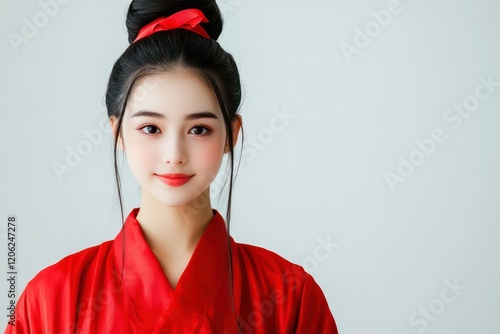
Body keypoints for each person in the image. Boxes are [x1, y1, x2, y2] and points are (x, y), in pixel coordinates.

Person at [5, 1, 338, 333]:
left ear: (230, 135)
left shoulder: (290, 297)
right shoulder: (51, 297)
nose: (174, 154)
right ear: (117, 132)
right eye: (151, 128)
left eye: (199, 129)